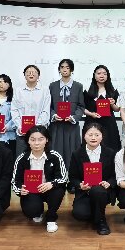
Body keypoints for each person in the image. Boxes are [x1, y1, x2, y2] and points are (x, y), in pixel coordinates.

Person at [11, 125, 67, 233]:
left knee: (59, 190)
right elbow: (15, 181)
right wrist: (20, 190)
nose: (36, 143)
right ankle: (38, 211)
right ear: (28, 141)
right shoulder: (22, 158)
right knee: (32, 212)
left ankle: (51, 218)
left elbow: (63, 177)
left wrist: (51, 184)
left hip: (50, 189)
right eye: (33, 139)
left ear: (47, 140)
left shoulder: (55, 156)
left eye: (41, 139)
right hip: (31, 191)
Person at [68, 122, 117, 235]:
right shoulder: (77, 154)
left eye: (97, 135)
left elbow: (115, 175)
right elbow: (72, 177)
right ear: (84, 136)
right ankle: (95, 212)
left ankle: (101, 221)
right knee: (80, 215)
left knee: (98, 191)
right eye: (90, 135)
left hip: (103, 191)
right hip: (84, 191)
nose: (93, 138)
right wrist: (80, 185)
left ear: (102, 136)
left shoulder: (110, 153)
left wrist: (109, 183)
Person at [49, 58, 85, 193]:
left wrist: (74, 117)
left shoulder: (78, 86)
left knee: (72, 152)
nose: (64, 69)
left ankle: (72, 181)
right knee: (56, 151)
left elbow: (81, 106)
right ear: (59, 69)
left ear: (71, 70)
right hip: (57, 125)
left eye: (67, 67)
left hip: (71, 125)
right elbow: (48, 106)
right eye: (62, 67)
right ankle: (58, 180)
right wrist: (53, 115)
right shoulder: (52, 86)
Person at [11, 65, 51, 157]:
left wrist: (37, 128)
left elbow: (45, 110)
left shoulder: (45, 90)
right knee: (22, 158)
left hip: (40, 133)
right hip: (22, 133)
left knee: (40, 158)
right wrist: (20, 126)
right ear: (24, 75)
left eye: (34, 72)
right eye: (28, 72)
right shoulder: (18, 90)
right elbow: (14, 110)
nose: (31, 74)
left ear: (38, 75)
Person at [83, 65, 121, 152]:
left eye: (104, 74)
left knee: (110, 148)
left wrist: (112, 104)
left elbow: (117, 109)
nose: (102, 76)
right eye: (99, 73)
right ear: (94, 75)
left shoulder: (113, 91)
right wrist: (91, 114)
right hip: (92, 123)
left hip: (109, 124)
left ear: (108, 76)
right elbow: (82, 108)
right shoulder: (87, 91)